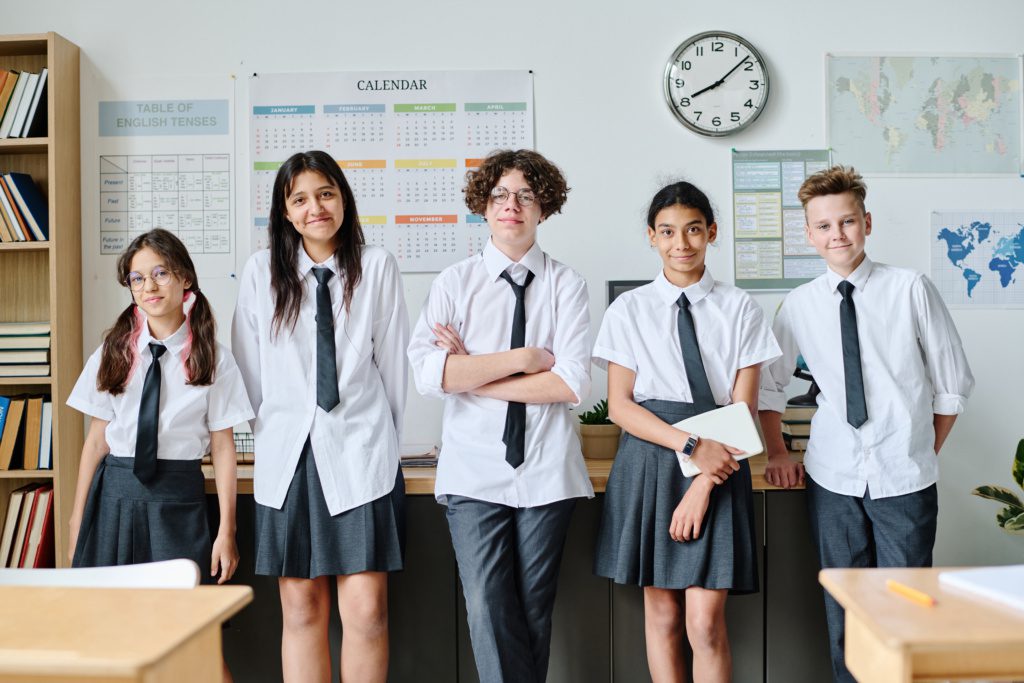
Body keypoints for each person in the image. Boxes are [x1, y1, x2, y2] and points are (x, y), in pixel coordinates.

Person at [758, 165, 974, 682]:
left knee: (906, 608)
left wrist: (920, 448)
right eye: (825, 226)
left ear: (867, 222)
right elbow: (769, 389)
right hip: (833, 476)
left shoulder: (911, 289)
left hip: (905, 477)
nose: (838, 234)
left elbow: (952, 385)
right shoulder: (799, 306)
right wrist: (777, 452)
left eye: (848, 222)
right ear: (810, 235)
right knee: (847, 609)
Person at [407, 149, 593, 683]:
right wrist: (524, 360)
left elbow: (569, 382)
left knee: (533, 609)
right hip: (473, 472)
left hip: (547, 470)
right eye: (500, 196)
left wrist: (471, 371)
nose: (512, 205)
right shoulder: (454, 282)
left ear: (544, 208)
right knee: (487, 606)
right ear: (483, 208)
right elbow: (430, 375)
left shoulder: (566, 285)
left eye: (526, 196)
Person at [232, 150, 409, 683]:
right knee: (302, 609)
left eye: (326, 194)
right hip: (289, 459)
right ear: (284, 211)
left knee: (367, 612)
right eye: (301, 198)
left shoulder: (375, 265)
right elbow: (249, 371)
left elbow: (394, 364)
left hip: (361, 453)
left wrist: (388, 446)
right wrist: (280, 427)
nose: (316, 208)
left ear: (344, 199)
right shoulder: (263, 271)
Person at [593, 181, 781, 683]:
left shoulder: (741, 308)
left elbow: (744, 408)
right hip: (654, 459)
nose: (682, 243)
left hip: (721, 464)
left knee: (706, 622)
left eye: (694, 230)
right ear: (651, 237)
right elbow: (619, 405)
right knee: (662, 616)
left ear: (711, 233)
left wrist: (703, 479)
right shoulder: (628, 309)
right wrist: (690, 445)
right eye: (669, 232)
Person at [68, 228, 252, 681]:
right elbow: (96, 442)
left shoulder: (213, 356)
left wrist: (226, 530)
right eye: (136, 278)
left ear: (184, 278)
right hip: (114, 496)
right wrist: (77, 519)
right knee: (113, 635)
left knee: (195, 638)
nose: (148, 287)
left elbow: (223, 449)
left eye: (160, 274)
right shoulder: (113, 350)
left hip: (177, 499)